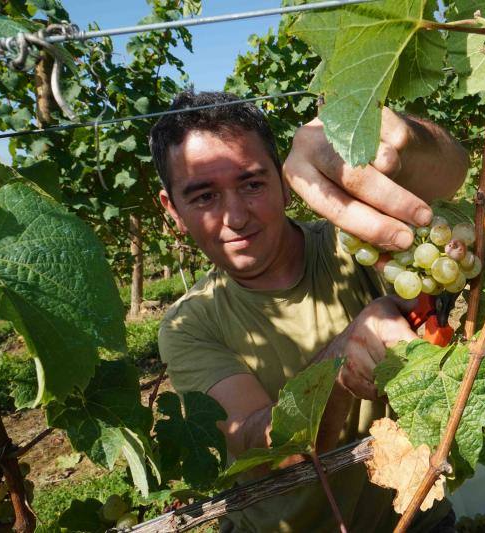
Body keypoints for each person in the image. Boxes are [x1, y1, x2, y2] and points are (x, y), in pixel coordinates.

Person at [150, 90, 468, 532]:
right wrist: (338, 365)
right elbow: (262, 451)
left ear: (282, 180)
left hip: (415, 516)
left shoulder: (353, 241)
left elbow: (451, 172)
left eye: (252, 184)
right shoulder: (189, 324)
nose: (236, 216)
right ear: (173, 211)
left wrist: (403, 143)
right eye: (204, 197)